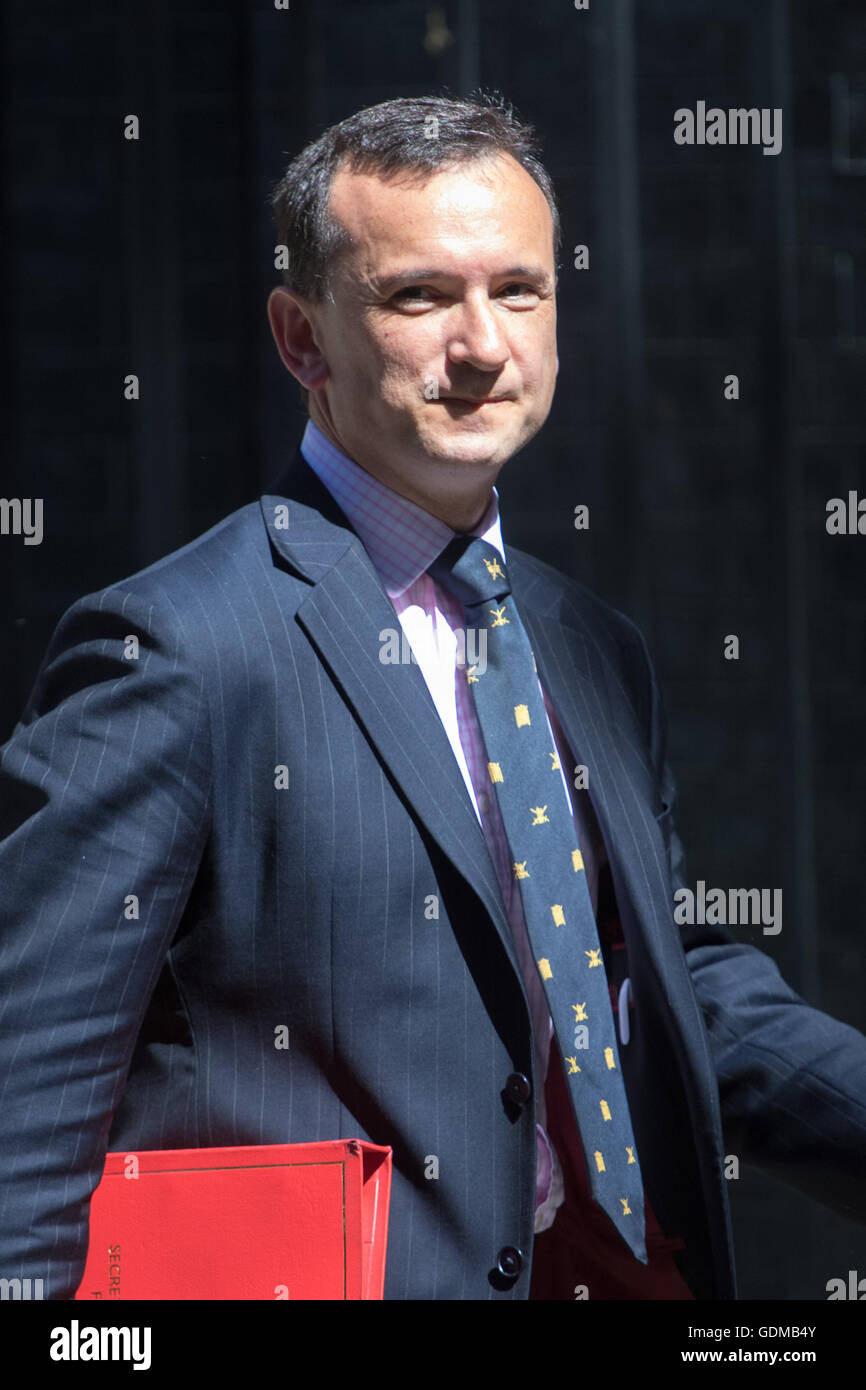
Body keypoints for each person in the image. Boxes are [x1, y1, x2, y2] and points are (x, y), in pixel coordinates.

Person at [1, 93, 864, 1302]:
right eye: (419, 297)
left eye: (517, 290)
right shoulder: (177, 647)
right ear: (302, 338)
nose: (483, 345)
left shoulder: (585, 642)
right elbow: (23, 1112)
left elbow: (649, 985)